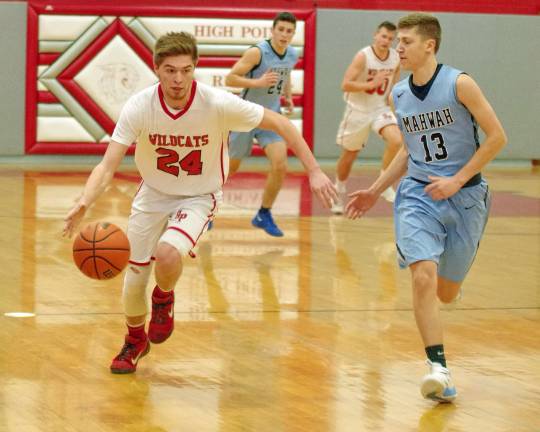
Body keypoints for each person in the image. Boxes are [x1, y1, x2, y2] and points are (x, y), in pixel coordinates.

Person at [62, 32, 336, 374]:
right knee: (133, 280)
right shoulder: (140, 106)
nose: (178, 79)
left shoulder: (217, 104)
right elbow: (108, 164)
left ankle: (164, 297)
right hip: (152, 194)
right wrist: (85, 201)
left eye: (186, 70)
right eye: (170, 71)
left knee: (167, 253)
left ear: (195, 69)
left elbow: (280, 123)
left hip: (199, 196)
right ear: (156, 70)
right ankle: (135, 340)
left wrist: (314, 170)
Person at [345, 13, 506, 402]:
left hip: (465, 195)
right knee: (421, 277)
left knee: (446, 293)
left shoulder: (459, 84)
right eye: (397, 42)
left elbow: (497, 138)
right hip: (417, 194)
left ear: (428, 45)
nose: (397, 48)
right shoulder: (399, 93)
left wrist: (456, 179)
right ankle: (438, 368)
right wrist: (375, 189)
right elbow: (407, 152)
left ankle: (452, 285)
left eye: (405, 42)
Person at [224, 12, 298, 237]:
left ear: (293, 34)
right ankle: (205, 207)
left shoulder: (292, 54)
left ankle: (263, 214)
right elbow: (230, 79)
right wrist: (257, 82)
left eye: (289, 31)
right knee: (230, 169)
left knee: (280, 164)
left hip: (270, 115)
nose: (285, 34)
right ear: (273, 30)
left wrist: (288, 96)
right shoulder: (257, 52)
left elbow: (285, 75)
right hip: (246, 114)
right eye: (281, 29)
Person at [331, 21, 403, 214]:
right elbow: (345, 84)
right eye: (383, 36)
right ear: (375, 35)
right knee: (349, 155)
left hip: (380, 108)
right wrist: (370, 84)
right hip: (358, 110)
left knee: (397, 139)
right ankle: (338, 191)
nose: (386, 41)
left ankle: (384, 184)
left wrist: (393, 101)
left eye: (390, 38)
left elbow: (394, 81)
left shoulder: (396, 58)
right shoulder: (363, 56)